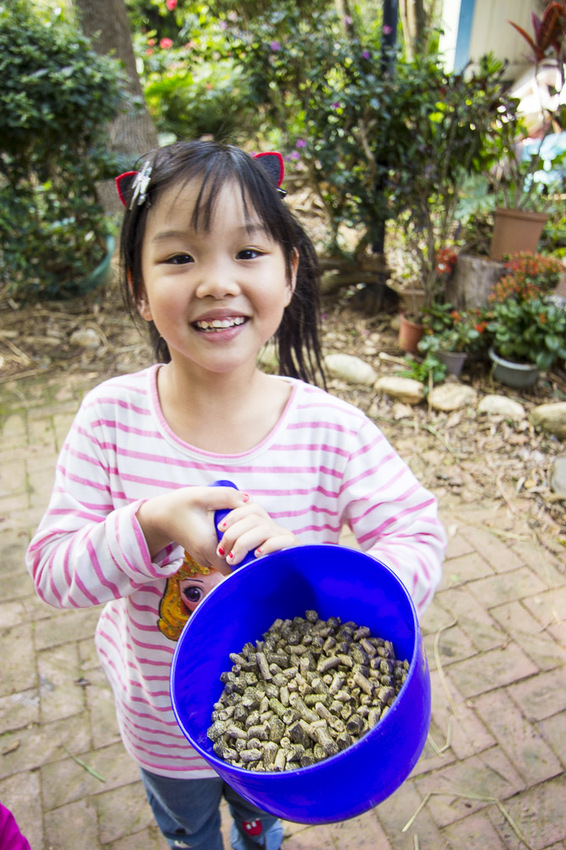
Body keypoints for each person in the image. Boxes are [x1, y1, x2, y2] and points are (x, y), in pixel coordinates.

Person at [26, 140, 446, 850]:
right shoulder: (109, 419)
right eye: (180, 257)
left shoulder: (328, 429)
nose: (216, 282)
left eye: (247, 252)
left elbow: (418, 535)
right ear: (136, 284)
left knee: (262, 827)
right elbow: (52, 571)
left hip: (282, 744)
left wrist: (319, 565)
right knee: (189, 832)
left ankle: (261, 833)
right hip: (160, 728)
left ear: (289, 273)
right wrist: (150, 522)